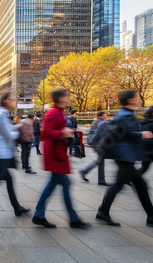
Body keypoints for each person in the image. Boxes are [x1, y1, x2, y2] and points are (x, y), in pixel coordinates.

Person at [97, 90, 153, 228]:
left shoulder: (124, 114)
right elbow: (124, 133)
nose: (138, 100)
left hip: (124, 154)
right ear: (131, 100)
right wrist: (142, 134)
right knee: (121, 185)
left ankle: (151, 217)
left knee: (139, 185)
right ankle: (104, 213)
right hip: (124, 155)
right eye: (136, 98)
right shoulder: (125, 115)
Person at [32, 88, 89, 229]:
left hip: (57, 153)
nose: (68, 99)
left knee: (55, 184)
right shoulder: (53, 113)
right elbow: (46, 132)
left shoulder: (57, 112)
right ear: (61, 98)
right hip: (55, 154)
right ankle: (73, 219)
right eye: (67, 97)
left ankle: (39, 215)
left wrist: (64, 133)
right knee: (64, 184)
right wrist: (63, 133)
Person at [80, 111, 110, 186]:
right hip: (98, 144)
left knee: (101, 161)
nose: (107, 116)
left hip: (94, 143)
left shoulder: (96, 121)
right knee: (100, 160)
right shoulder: (103, 123)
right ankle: (85, 171)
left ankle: (101, 180)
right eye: (106, 114)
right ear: (103, 115)